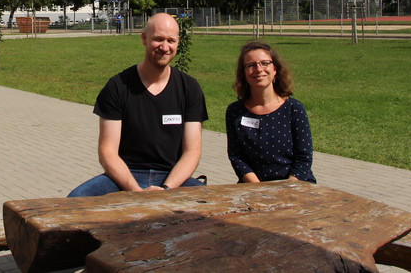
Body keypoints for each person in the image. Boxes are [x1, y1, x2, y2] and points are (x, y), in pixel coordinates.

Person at [68, 13, 208, 197]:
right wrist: (137, 192)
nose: (164, 47)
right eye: (158, 39)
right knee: (75, 200)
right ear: (144, 38)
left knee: (212, 206)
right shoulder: (118, 87)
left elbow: (192, 152)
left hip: (173, 177)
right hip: (125, 176)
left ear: (178, 42)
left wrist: (166, 189)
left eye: (170, 40)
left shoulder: (189, 88)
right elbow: (107, 152)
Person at [225, 41, 315, 183]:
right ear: (243, 73)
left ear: (275, 70)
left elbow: (304, 158)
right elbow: (237, 157)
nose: (258, 69)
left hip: (295, 186)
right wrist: (259, 189)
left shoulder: (294, 109)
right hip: (253, 188)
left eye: (265, 63)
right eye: (251, 65)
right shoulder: (235, 111)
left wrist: (286, 190)